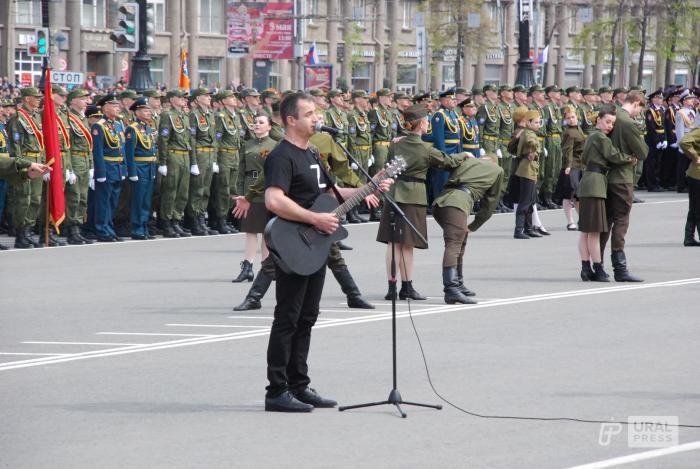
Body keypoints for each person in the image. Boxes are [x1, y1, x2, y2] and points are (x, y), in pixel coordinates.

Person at [262, 92, 392, 412]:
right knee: (287, 318)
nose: (316, 118)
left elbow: (332, 194)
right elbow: (273, 200)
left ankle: (299, 384)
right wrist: (313, 218)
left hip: (315, 244)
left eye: (316, 112)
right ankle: (276, 390)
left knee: (307, 317)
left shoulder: (314, 153)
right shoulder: (282, 155)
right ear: (291, 120)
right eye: (309, 113)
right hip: (293, 242)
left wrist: (369, 187)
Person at [377, 103, 468, 301]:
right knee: (407, 244)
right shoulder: (425, 148)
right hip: (413, 196)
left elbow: (389, 165)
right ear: (420, 125)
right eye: (426, 121)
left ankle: (391, 287)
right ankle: (407, 287)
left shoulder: (395, 143)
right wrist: (465, 155)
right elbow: (448, 161)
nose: (427, 124)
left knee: (393, 244)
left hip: (393, 193)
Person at [432, 155, 504, 304]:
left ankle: (458, 283)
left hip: (441, 201)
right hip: (458, 203)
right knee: (454, 244)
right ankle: (451, 289)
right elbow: (490, 203)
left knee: (459, 241)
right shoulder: (497, 170)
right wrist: (475, 224)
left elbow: (444, 163)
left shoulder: (467, 161)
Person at [577, 105, 633, 281]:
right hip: (595, 184)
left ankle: (586, 268)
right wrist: (630, 158)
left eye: (612, 123)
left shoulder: (591, 136)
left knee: (586, 230)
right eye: (607, 121)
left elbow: (584, 158)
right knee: (594, 231)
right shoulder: (600, 137)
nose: (610, 126)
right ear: (598, 119)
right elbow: (613, 155)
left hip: (589, 181)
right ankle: (598, 268)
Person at [601, 91, 648, 282]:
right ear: (636, 103)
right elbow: (643, 152)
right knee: (621, 221)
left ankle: (596, 264)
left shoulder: (613, 115)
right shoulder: (628, 122)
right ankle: (620, 268)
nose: (639, 114)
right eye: (640, 109)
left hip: (605, 176)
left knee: (605, 222)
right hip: (622, 177)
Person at [232, 115, 276, 283]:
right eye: (255, 122)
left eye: (261, 122)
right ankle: (247, 267)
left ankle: (267, 268)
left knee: (266, 230)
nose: (257, 125)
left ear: (269, 127)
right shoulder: (247, 145)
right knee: (251, 230)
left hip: (267, 188)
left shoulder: (275, 145)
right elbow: (241, 171)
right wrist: (241, 192)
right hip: (251, 189)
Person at [92, 93, 126, 242]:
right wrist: (100, 171)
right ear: (105, 108)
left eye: (118, 105)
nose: (117, 108)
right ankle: (102, 229)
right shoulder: (99, 126)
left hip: (117, 167)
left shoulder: (118, 125)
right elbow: (97, 151)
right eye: (114, 105)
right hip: (106, 166)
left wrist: (124, 169)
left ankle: (109, 228)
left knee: (113, 201)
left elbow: (122, 148)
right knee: (103, 201)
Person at [124, 97, 157, 240]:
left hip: (149, 167)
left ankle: (144, 226)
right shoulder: (132, 129)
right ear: (137, 113)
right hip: (139, 167)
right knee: (138, 200)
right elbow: (129, 152)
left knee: (146, 200)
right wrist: (131, 171)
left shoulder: (147, 127)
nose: (149, 112)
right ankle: (137, 228)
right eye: (145, 110)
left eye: (149, 110)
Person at [512, 110, 543, 239]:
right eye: (535, 122)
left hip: (530, 168)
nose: (538, 125)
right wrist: (534, 147)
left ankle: (528, 228)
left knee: (530, 200)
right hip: (527, 169)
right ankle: (519, 230)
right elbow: (531, 141)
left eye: (539, 122)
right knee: (525, 201)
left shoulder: (529, 132)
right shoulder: (528, 133)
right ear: (528, 123)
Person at [556, 106, 586, 230]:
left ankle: (582, 220)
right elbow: (568, 150)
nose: (571, 119)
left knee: (578, 195)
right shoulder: (569, 132)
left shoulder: (578, 129)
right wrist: (568, 166)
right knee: (569, 194)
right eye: (568, 118)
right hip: (572, 165)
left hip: (580, 165)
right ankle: (570, 221)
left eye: (573, 117)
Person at [679, 126, 700, 246]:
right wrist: (695, 157)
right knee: (697, 208)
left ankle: (689, 237)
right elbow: (684, 141)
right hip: (697, 175)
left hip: (695, 175)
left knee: (694, 208)